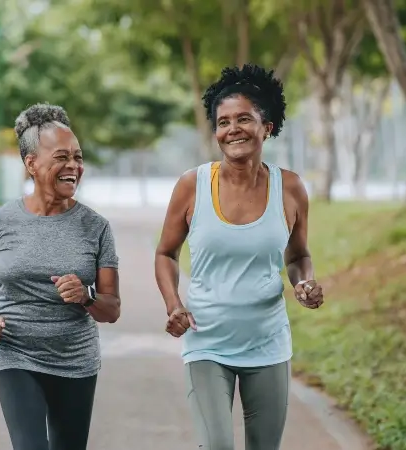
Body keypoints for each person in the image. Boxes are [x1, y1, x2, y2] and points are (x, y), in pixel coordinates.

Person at [154, 64, 325, 450]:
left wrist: (303, 283)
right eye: (223, 121)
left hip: (267, 342)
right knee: (217, 445)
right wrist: (173, 304)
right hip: (207, 341)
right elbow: (165, 253)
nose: (233, 129)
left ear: (267, 126)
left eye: (244, 119)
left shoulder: (291, 187)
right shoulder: (192, 185)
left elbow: (297, 256)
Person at [0, 103, 121, 450]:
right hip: (14, 352)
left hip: (75, 359)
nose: (74, 166)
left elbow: (112, 309)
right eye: (61, 157)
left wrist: (86, 296)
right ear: (31, 163)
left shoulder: (96, 228)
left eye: (78, 157)